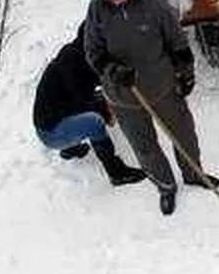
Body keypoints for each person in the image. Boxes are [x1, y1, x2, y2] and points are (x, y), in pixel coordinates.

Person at [85, 0, 219, 216]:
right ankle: (165, 186)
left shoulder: (154, 5)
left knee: (184, 134)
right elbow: (93, 52)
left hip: (162, 87)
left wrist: (186, 73)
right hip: (124, 96)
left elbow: (177, 43)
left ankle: (194, 175)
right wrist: (113, 70)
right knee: (144, 145)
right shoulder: (97, 9)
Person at [33, 22, 148, 186]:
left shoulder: (81, 54)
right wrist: (106, 112)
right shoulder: (73, 63)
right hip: (51, 133)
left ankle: (70, 148)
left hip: (55, 117)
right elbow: (82, 101)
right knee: (94, 122)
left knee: (99, 101)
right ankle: (116, 172)